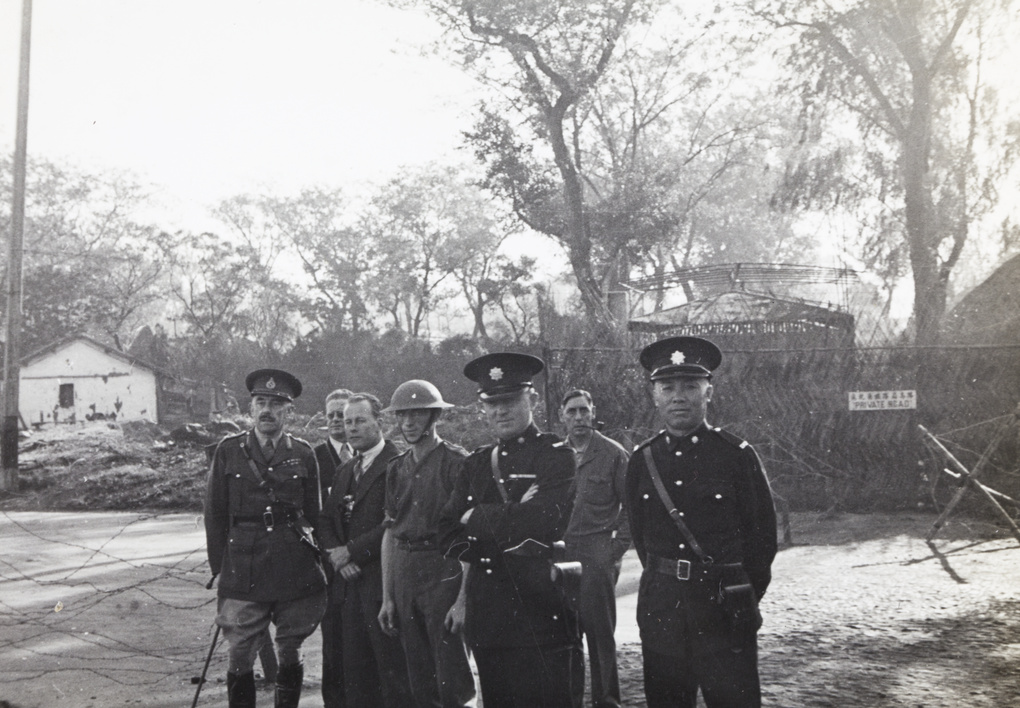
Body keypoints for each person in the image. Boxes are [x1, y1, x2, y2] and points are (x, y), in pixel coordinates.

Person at [625, 337, 777, 708]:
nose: (679, 396)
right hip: (662, 610)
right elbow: (642, 540)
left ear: (708, 392)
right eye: (668, 387)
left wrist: (741, 595)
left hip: (723, 607)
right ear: (655, 396)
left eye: (690, 386)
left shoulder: (736, 455)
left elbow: (763, 540)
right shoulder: (642, 460)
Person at [438, 352, 582, 708]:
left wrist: (477, 517)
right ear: (483, 408)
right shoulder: (476, 463)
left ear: (530, 399)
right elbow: (444, 533)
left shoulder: (556, 455)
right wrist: (515, 513)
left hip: (541, 609)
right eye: (492, 403)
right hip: (490, 615)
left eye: (510, 401)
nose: (500, 411)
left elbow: (547, 520)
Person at [204, 369, 327, 708]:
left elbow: (313, 516)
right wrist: (220, 568)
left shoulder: (303, 454)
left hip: (293, 563)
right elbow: (214, 514)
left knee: (290, 647)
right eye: (261, 402)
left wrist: (317, 559)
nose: (267, 410)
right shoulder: (229, 451)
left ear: (289, 411)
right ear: (251, 408)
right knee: (239, 650)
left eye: (276, 403)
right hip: (243, 565)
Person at [377, 380, 476, 708]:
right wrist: (388, 596)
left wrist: (462, 599)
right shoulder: (395, 468)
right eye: (403, 415)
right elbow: (390, 533)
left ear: (434, 416)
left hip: (443, 570)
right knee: (418, 675)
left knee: (451, 673)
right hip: (406, 572)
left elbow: (470, 534)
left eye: (417, 414)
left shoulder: (456, 463)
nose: (408, 422)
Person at [319, 393, 413, 708]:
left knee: (390, 674)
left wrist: (352, 552)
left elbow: (394, 522)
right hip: (347, 587)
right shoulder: (346, 470)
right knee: (354, 675)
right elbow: (326, 519)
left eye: (360, 420)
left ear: (379, 422)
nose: (352, 428)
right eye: (348, 422)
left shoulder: (398, 463)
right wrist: (337, 555)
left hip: (381, 585)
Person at [559, 389, 631, 708]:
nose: (579, 417)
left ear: (593, 412)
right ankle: (572, 700)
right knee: (566, 634)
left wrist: (613, 551)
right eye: (572, 411)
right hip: (560, 554)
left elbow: (632, 508)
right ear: (562, 415)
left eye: (584, 411)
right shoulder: (555, 454)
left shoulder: (612, 454)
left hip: (596, 550)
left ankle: (607, 701)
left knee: (600, 635)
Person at [314, 387, 353, 708]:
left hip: (367, 562)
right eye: (332, 416)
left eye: (343, 414)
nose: (338, 421)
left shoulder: (373, 453)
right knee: (335, 642)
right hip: (331, 565)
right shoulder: (314, 458)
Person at [316, 388, 355, 497]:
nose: (335, 419)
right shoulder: (314, 456)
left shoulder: (365, 451)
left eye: (341, 415)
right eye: (330, 416)